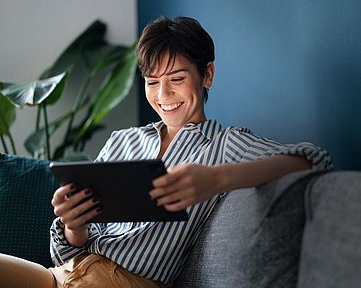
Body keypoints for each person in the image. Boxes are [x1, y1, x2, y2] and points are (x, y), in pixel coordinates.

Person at [0, 16, 332, 287]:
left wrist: (216, 179)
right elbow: (67, 250)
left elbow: (312, 159)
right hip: (64, 275)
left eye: (176, 78)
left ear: (207, 75)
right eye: (152, 81)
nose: (164, 94)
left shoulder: (224, 144)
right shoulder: (123, 141)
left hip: (121, 282)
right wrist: (73, 225)